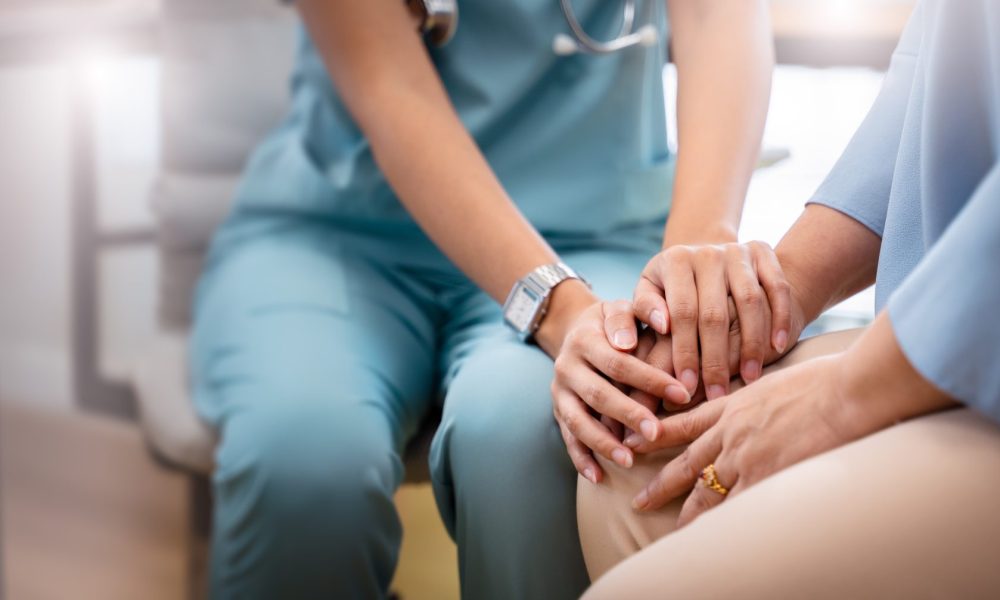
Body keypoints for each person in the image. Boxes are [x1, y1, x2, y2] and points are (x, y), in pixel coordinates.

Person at [190, 0, 776, 597]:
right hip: (338, 233)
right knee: (303, 462)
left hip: (591, 230)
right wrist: (558, 307)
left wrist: (696, 250)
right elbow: (392, 88)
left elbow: (716, 15)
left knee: (534, 439)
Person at [565, 0, 1000, 596]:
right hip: (940, 329)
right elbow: (946, 65)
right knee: (634, 461)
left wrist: (844, 396)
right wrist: (778, 292)